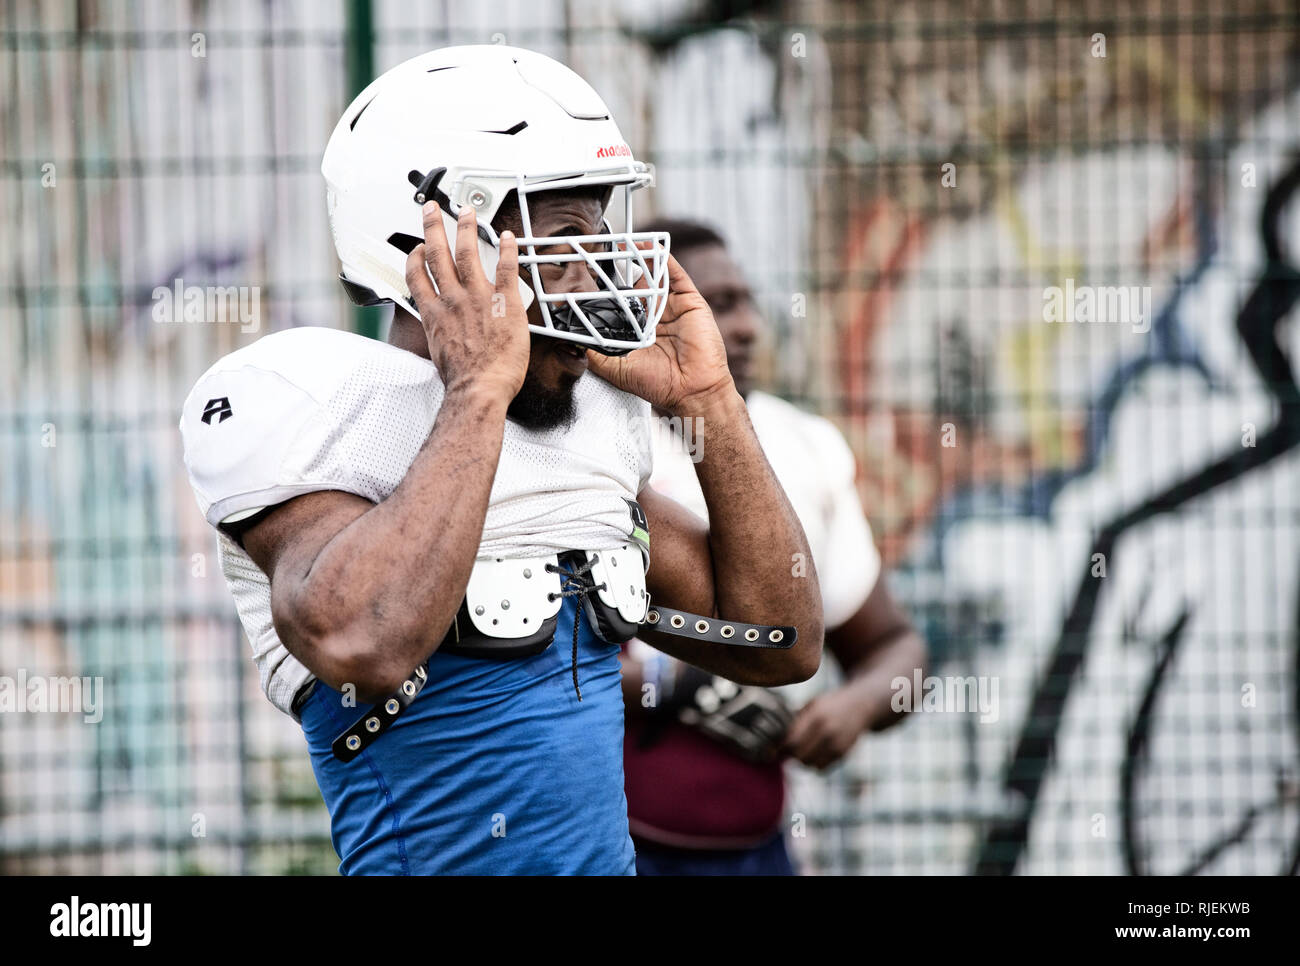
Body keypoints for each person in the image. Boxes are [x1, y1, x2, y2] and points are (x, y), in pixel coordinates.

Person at [177, 46, 822, 875]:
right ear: (444, 241)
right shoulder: (316, 400)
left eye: (604, 236)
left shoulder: (589, 431)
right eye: (567, 240)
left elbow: (779, 641)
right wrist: (476, 391)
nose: (603, 275)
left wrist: (712, 404)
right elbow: (361, 642)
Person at [620, 218, 927, 876]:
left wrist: (857, 705)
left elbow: (895, 647)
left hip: (764, 838)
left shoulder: (804, 445)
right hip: (619, 836)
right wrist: (677, 681)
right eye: (717, 306)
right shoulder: (597, 447)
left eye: (747, 301)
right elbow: (524, 660)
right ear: (643, 321)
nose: (750, 326)